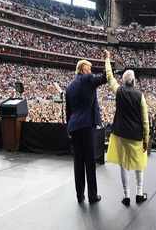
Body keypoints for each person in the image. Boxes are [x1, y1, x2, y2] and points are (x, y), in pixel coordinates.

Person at [104, 50, 150, 206]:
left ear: (123, 81)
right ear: (134, 81)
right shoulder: (140, 96)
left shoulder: (119, 91)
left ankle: (126, 196)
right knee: (139, 165)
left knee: (123, 165)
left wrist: (108, 59)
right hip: (136, 135)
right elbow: (145, 120)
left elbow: (109, 78)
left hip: (121, 134)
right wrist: (146, 139)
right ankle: (139, 193)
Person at [65, 58, 107, 204]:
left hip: (74, 127)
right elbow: (104, 78)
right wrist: (107, 61)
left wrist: (69, 129)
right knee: (90, 162)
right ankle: (92, 196)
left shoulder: (69, 87)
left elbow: (68, 112)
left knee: (78, 162)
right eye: (89, 69)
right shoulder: (87, 79)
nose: (91, 71)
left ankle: (79, 195)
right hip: (86, 126)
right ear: (83, 69)